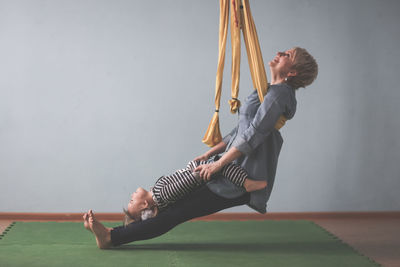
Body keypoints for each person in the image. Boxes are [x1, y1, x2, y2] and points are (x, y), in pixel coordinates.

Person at [84, 47, 318, 249]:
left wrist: (218, 163)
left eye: (286, 54)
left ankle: (111, 237)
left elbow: (254, 134)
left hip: (240, 175)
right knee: (171, 209)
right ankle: (116, 233)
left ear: (292, 72)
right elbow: (239, 131)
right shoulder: (266, 89)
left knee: (175, 212)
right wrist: (211, 153)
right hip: (229, 166)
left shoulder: (280, 95)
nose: (278, 53)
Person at [122, 157, 267, 225]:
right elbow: (183, 185)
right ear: (144, 205)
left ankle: (245, 181)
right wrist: (202, 170)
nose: (132, 195)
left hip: (193, 168)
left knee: (224, 163)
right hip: (197, 173)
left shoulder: (157, 191)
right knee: (225, 166)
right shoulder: (162, 195)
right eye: (132, 200)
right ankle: (247, 183)